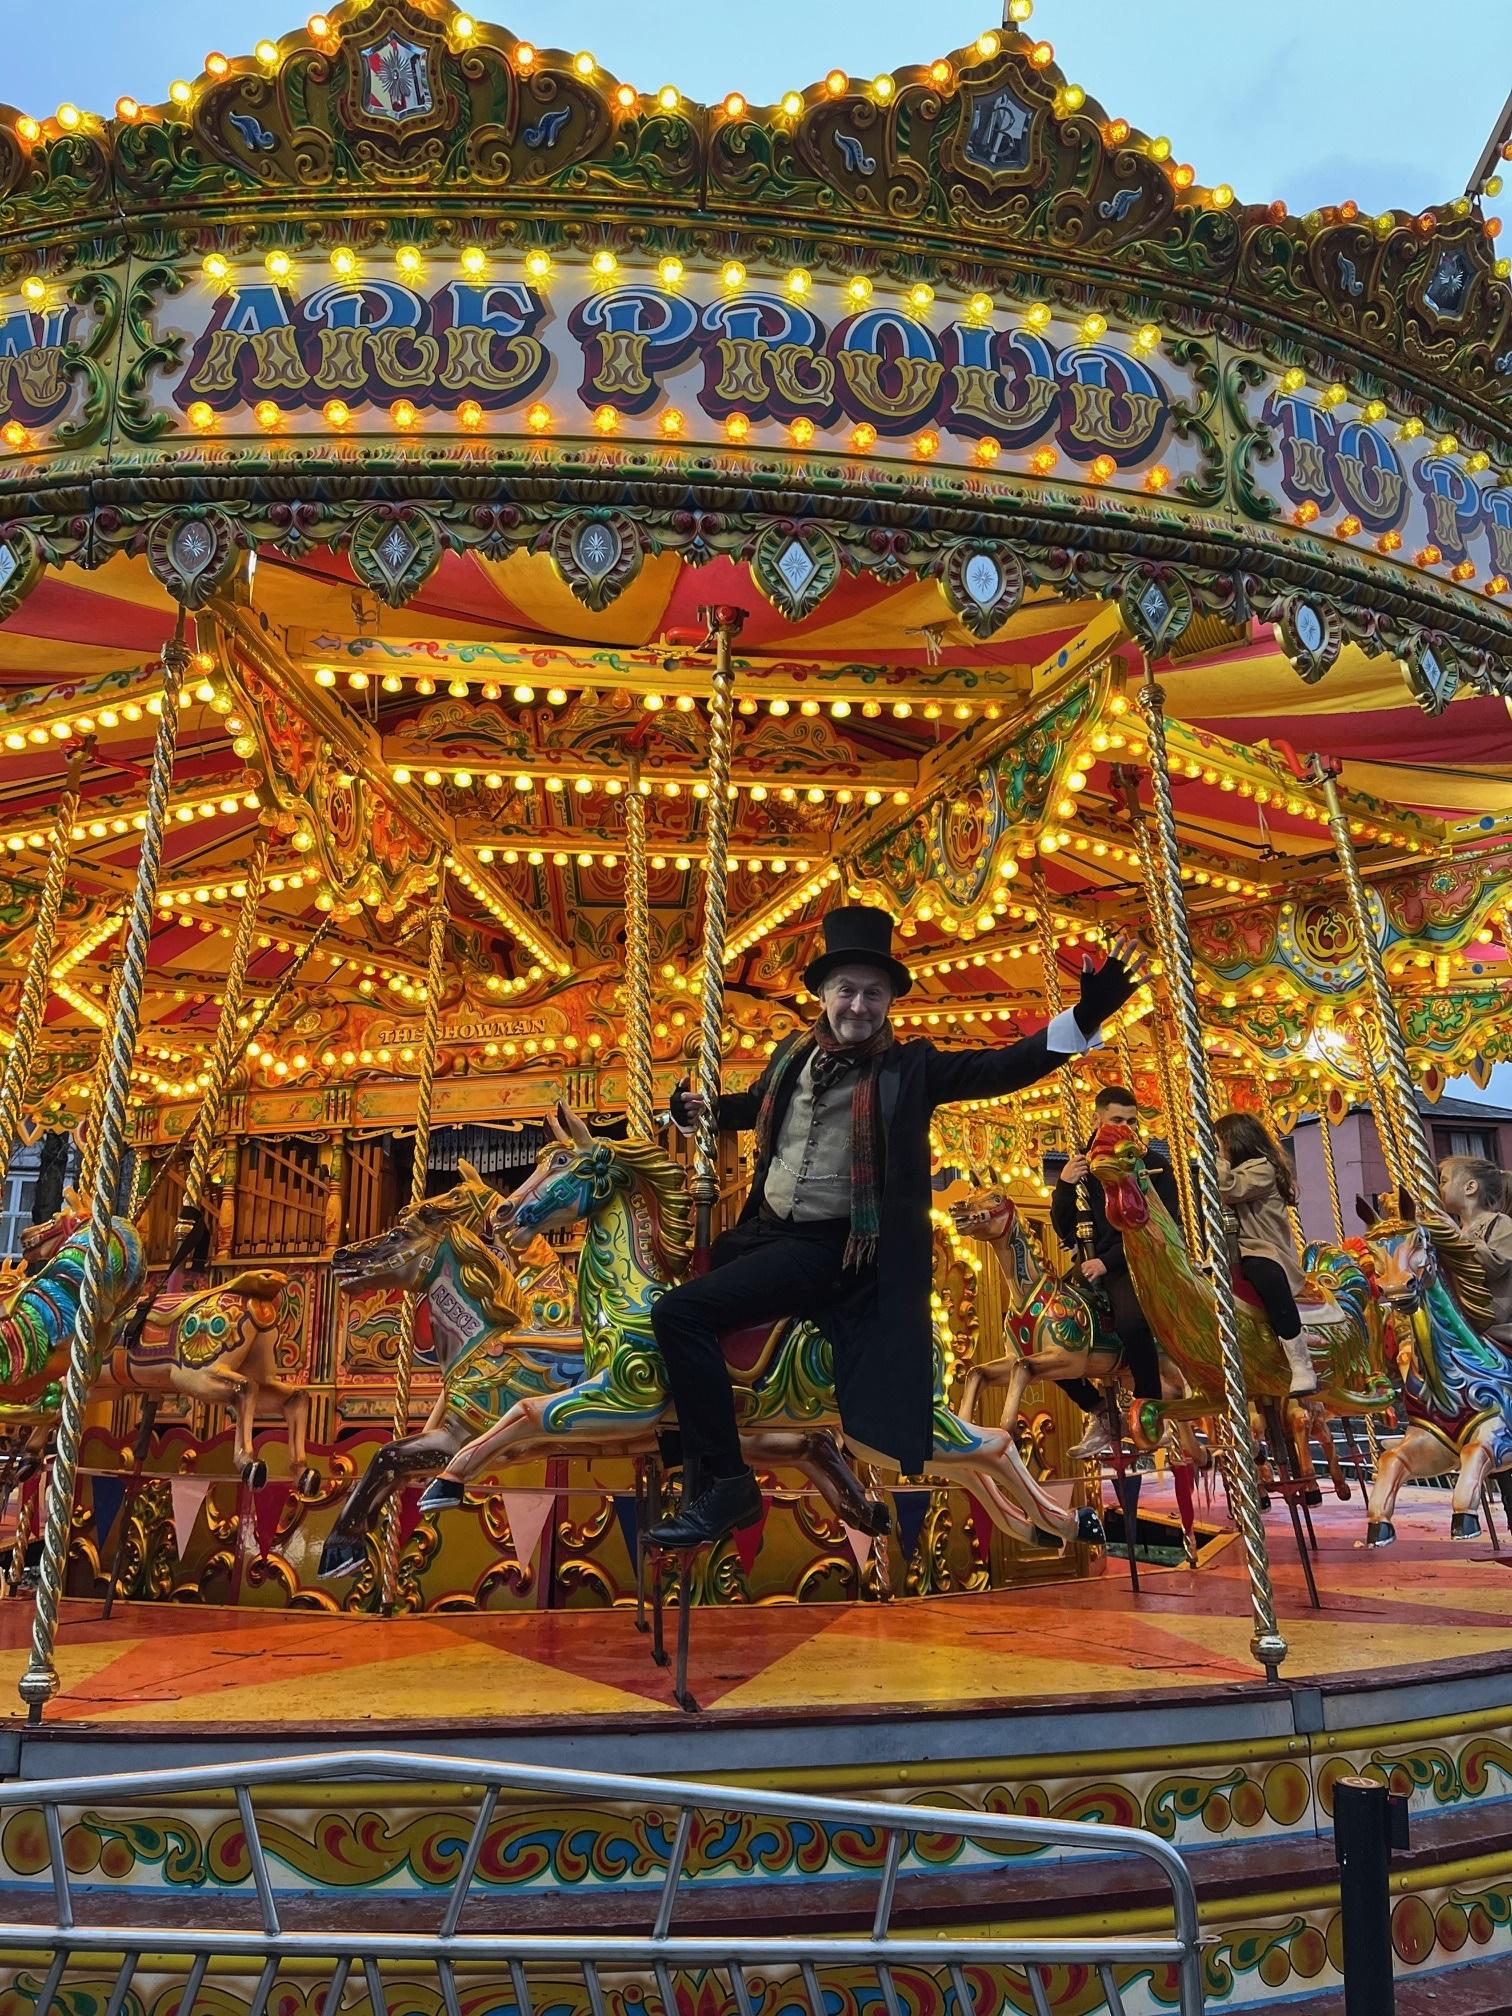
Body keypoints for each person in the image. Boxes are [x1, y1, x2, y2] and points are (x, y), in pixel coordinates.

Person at [648, 905, 1145, 1547]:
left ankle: (726, 1483)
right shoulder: (792, 1054)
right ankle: (690, 1435)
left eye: (873, 993)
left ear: (889, 1002)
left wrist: (1085, 1016)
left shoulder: (909, 1069)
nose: (858, 1005)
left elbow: (1001, 1068)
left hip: (830, 1249)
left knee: (679, 1315)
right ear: (823, 994)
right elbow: (758, 1106)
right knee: (668, 1293)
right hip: (762, 1233)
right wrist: (700, 1110)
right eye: (846, 990)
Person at [1050, 1085, 1183, 1457]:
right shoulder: (1082, 1165)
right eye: (1116, 1120)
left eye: (1131, 1121)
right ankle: (1098, 1411)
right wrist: (1065, 1185)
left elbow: (1159, 1227)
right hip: (1090, 1264)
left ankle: (1149, 1407)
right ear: (1096, 1119)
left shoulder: (1152, 1165)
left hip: (1135, 1261)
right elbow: (1064, 1228)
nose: (1125, 1127)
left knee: (1132, 1324)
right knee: (1048, 1325)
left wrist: (1107, 1261)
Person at [1214, 1111, 1317, 1395]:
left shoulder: (1262, 1169)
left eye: (1220, 1142)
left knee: (1267, 1277)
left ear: (1235, 1142)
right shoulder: (1232, 1170)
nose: (1218, 1149)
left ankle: (1300, 1362)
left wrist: (1217, 1158)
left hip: (1263, 1249)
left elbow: (1226, 1188)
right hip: (1231, 1250)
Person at [1440, 1155, 1512, 1346]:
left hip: (1496, 1325)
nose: (1439, 1188)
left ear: (1470, 1187)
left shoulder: (1500, 1222)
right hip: (1463, 1318)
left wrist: (1458, 1238)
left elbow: (1496, 1264)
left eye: (1444, 1181)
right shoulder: (1459, 1229)